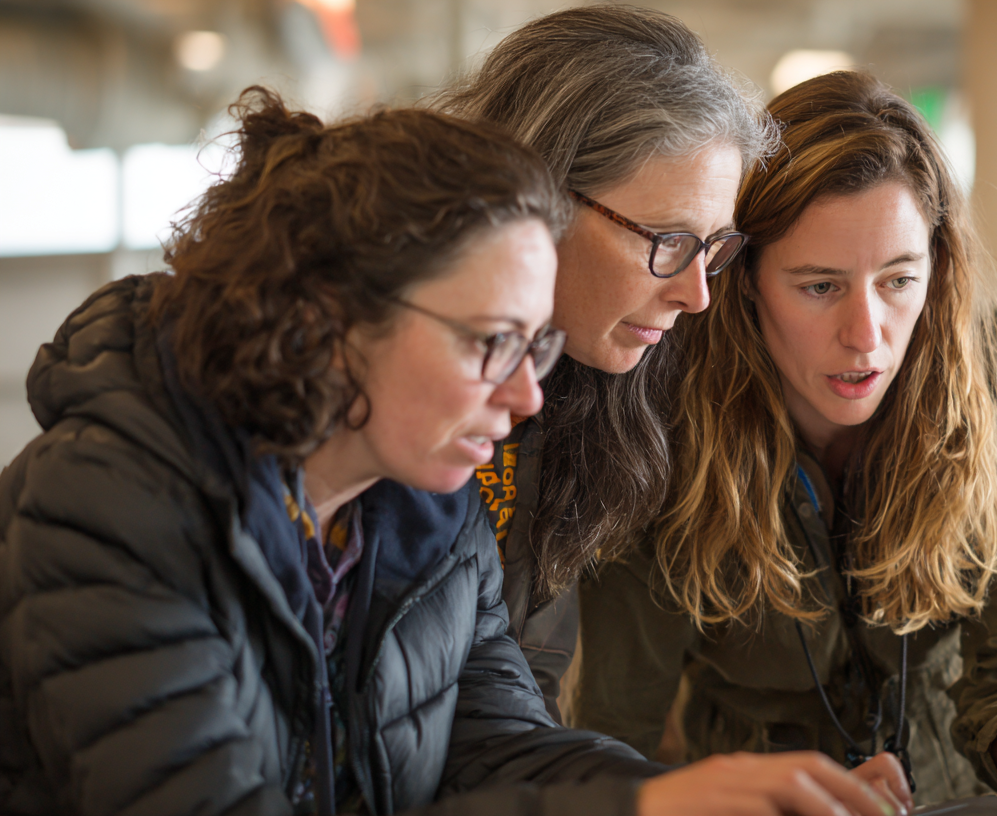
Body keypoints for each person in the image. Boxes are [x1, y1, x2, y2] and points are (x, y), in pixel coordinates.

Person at [0, 88, 907, 816]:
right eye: (490, 343)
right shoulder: (106, 506)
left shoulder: (428, 506)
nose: (525, 396)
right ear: (332, 319)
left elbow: (498, 746)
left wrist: (682, 796)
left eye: (535, 347)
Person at [572, 71, 997, 807]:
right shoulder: (662, 411)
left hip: (951, 794)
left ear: (938, 268)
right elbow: (612, 719)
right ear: (745, 279)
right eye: (819, 286)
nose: (865, 336)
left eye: (898, 281)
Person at [429, 5, 772, 722]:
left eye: (714, 247)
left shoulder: (584, 392)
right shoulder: (392, 394)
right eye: (669, 241)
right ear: (538, 195)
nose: (697, 295)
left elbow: (517, 700)